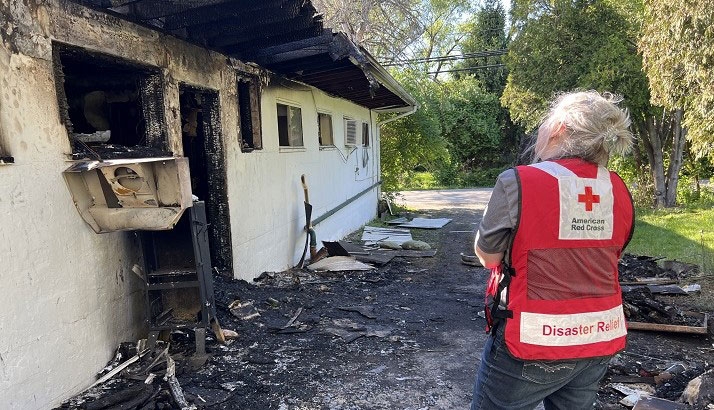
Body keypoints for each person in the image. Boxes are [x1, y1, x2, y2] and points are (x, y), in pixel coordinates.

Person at [471, 90, 635, 410]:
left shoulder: (518, 181)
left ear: (559, 129)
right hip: (598, 337)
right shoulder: (618, 189)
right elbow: (610, 255)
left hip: (535, 341)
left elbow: (488, 256)